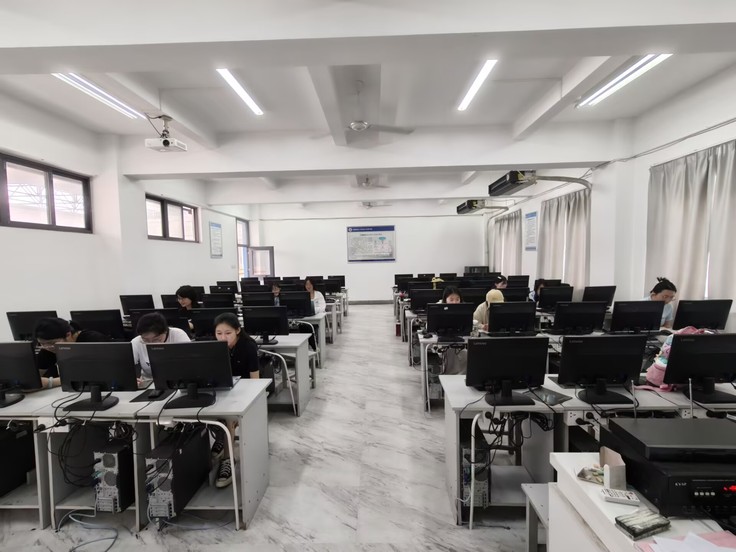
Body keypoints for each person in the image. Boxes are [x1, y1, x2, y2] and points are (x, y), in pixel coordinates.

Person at [212, 312, 259, 488]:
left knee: (229, 419)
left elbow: (255, 380)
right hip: (222, 390)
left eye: (228, 333)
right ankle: (221, 438)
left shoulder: (248, 346)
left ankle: (228, 460)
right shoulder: (214, 347)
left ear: (238, 330)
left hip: (244, 392)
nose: (223, 338)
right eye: (218, 333)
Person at [34, 318, 110, 389]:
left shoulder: (93, 341)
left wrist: (51, 382)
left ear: (68, 335)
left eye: (52, 343)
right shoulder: (48, 348)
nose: (47, 347)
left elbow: (98, 373)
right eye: (42, 343)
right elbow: (36, 375)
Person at [130, 313, 191, 381]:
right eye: (146, 340)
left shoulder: (178, 335)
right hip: (149, 382)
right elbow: (125, 365)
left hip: (178, 380)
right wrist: (131, 379)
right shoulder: (137, 341)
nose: (151, 344)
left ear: (165, 331)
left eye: (156, 339)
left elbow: (190, 363)